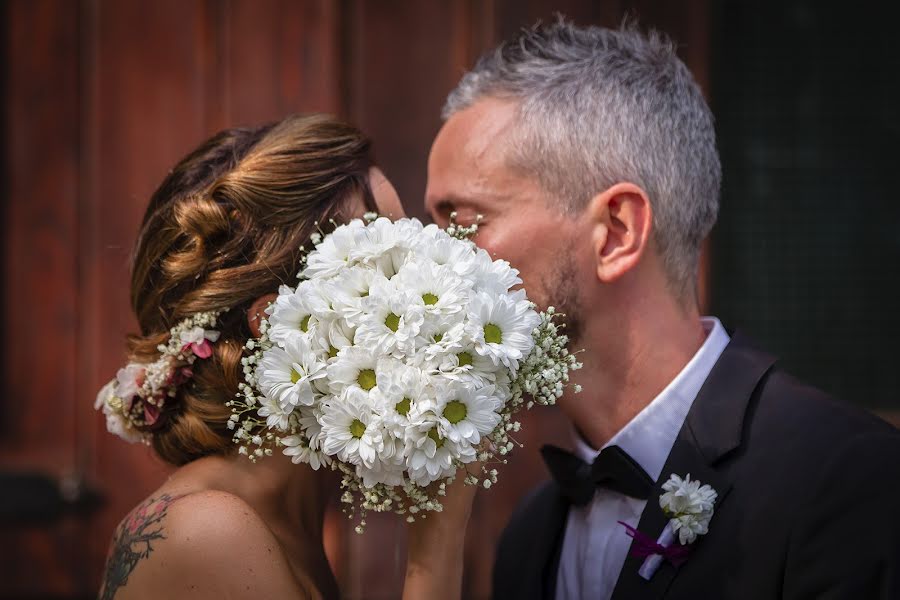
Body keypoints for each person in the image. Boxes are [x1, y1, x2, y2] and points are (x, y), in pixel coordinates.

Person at [426, 19, 900, 600]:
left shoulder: (848, 483)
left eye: (463, 223)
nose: (434, 266)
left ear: (616, 232)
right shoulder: (529, 535)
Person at [97, 114, 474, 600]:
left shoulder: (283, 517)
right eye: (392, 257)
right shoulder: (206, 531)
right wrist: (436, 542)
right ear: (281, 320)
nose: (425, 283)